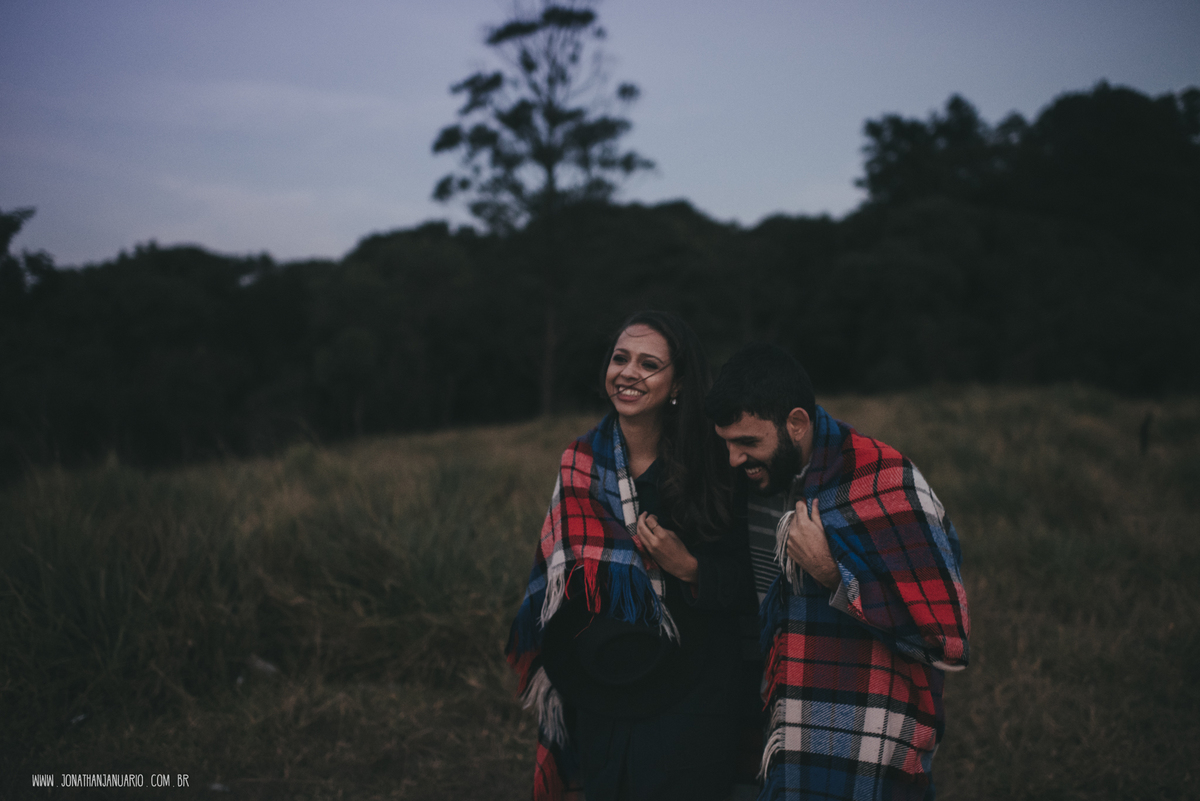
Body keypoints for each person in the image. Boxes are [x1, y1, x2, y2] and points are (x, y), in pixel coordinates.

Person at [506, 311, 760, 801]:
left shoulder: (716, 462)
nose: (628, 372)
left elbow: (756, 582)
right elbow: (560, 583)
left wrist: (688, 567)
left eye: (649, 364)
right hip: (608, 679)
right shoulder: (580, 461)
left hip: (695, 690)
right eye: (620, 358)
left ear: (678, 384)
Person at [705, 343, 970, 801]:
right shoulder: (745, 482)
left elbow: (946, 640)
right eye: (726, 443)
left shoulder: (883, 479)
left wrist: (834, 575)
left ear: (796, 423)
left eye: (748, 443)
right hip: (769, 721)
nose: (733, 459)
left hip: (862, 735)